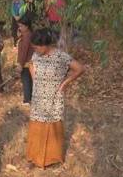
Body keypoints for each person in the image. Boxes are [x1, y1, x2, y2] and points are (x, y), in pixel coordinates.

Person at [27, 28, 85, 168]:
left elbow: (80, 68)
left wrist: (65, 83)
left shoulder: (61, 57)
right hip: (38, 98)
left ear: (45, 45)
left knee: (53, 127)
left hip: (54, 98)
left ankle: (52, 159)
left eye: (37, 47)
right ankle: (35, 157)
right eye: (34, 47)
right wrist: (35, 79)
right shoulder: (36, 55)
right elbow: (30, 64)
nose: (35, 50)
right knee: (37, 126)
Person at [17, 15, 34, 105]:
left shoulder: (27, 36)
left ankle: (27, 99)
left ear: (26, 26)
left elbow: (24, 51)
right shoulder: (27, 34)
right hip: (28, 62)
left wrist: (20, 64)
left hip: (26, 62)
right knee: (29, 80)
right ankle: (30, 98)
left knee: (26, 80)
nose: (20, 28)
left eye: (21, 26)